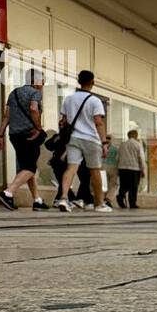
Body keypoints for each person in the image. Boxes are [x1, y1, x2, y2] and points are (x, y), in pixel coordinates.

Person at [57, 70, 110, 213]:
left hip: (73, 138)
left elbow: (63, 121)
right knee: (95, 171)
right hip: (91, 140)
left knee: (71, 168)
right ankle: (99, 203)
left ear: (79, 81)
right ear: (92, 82)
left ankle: (63, 198)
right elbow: (98, 122)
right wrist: (104, 143)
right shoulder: (94, 101)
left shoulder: (69, 99)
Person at [0, 69, 48, 211]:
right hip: (29, 135)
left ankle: (37, 200)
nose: (43, 83)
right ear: (36, 81)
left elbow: (7, 116)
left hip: (14, 135)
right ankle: (8, 193)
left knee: (26, 167)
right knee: (30, 168)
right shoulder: (35, 93)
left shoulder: (14, 93)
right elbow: (33, 109)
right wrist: (38, 127)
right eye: (42, 80)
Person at [116, 128, 147, 208]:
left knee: (123, 185)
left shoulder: (122, 144)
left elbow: (117, 157)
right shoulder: (138, 145)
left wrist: (117, 168)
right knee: (133, 187)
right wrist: (143, 169)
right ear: (136, 135)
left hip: (122, 168)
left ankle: (120, 196)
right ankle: (132, 203)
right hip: (134, 168)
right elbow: (141, 158)